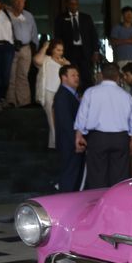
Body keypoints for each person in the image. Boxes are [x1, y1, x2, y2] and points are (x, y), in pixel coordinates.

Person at [74, 63, 132, 189]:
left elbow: (82, 116)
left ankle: (98, 205)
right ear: (118, 77)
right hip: (120, 139)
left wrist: (78, 136)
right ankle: (117, 204)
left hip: (98, 138)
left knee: (97, 175)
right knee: (119, 176)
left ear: (101, 75)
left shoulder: (90, 92)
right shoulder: (126, 95)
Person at [54, 0, 99, 92]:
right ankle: (75, 94)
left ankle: (88, 94)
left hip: (85, 50)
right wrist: (59, 53)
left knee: (86, 74)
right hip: (69, 51)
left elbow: (93, 35)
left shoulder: (86, 18)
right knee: (72, 73)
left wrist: (95, 51)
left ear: (78, 5)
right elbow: (57, 36)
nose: (73, 6)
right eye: (71, 3)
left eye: (75, 4)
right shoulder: (61, 18)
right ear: (67, 5)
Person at [33, 39, 71, 149]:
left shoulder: (65, 62)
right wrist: (45, 47)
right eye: (58, 50)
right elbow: (36, 60)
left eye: (61, 50)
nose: (60, 52)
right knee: (51, 118)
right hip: (48, 92)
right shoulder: (46, 59)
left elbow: (71, 75)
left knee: (59, 118)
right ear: (52, 49)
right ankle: (56, 143)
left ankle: (54, 143)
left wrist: (64, 65)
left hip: (61, 93)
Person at [52, 64, 84, 192]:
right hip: (69, 143)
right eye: (73, 75)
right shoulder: (63, 96)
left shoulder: (71, 94)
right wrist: (75, 141)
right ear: (64, 78)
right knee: (69, 175)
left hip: (71, 142)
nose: (76, 78)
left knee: (74, 175)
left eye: (77, 75)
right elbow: (66, 123)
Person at [5, 0, 38, 108]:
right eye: (17, 1)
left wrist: (36, 48)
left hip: (26, 48)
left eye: (22, 1)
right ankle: (11, 101)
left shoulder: (28, 15)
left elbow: (34, 32)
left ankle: (24, 101)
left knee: (23, 75)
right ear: (12, 2)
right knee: (11, 75)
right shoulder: (6, 14)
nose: (19, 4)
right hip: (11, 49)